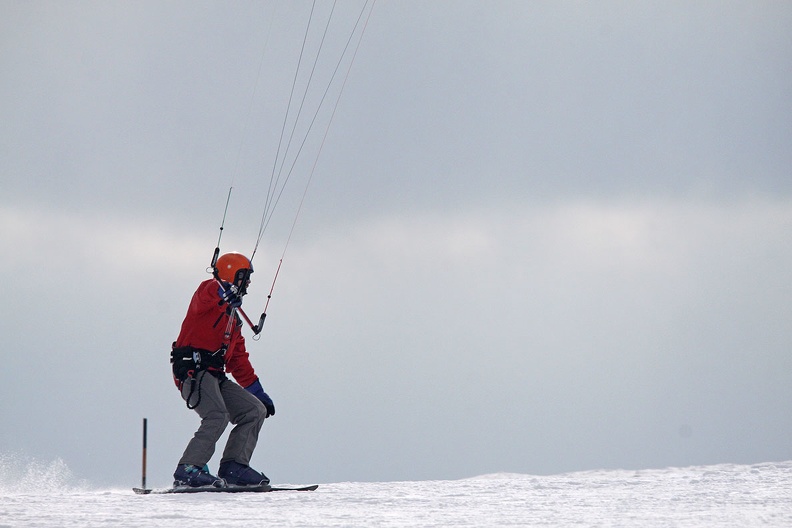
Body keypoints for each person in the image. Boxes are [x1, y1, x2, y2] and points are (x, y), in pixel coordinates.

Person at [169, 252, 276, 488]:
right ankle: (188, 469)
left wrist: (258, 392)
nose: (248, 282)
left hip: (215, 376)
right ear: (230, 275)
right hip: (192, 371)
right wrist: (223, 289)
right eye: (244, 277)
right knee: (217, 415)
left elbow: (238, 361)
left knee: (254, 410)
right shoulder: (206, 293)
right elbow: (209, 293)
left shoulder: (234, 320)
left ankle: (233, 467)